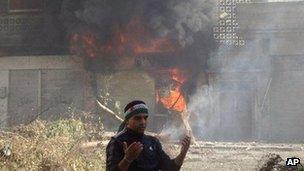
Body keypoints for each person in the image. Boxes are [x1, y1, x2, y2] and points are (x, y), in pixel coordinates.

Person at [106, 100, 191, 171]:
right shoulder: (117, 141)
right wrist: (127, 159)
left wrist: (182, 153)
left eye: (145, 118)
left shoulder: (153, 142)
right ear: (127, 120)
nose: (143, 122)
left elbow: (170, 168)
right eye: (138, 118)